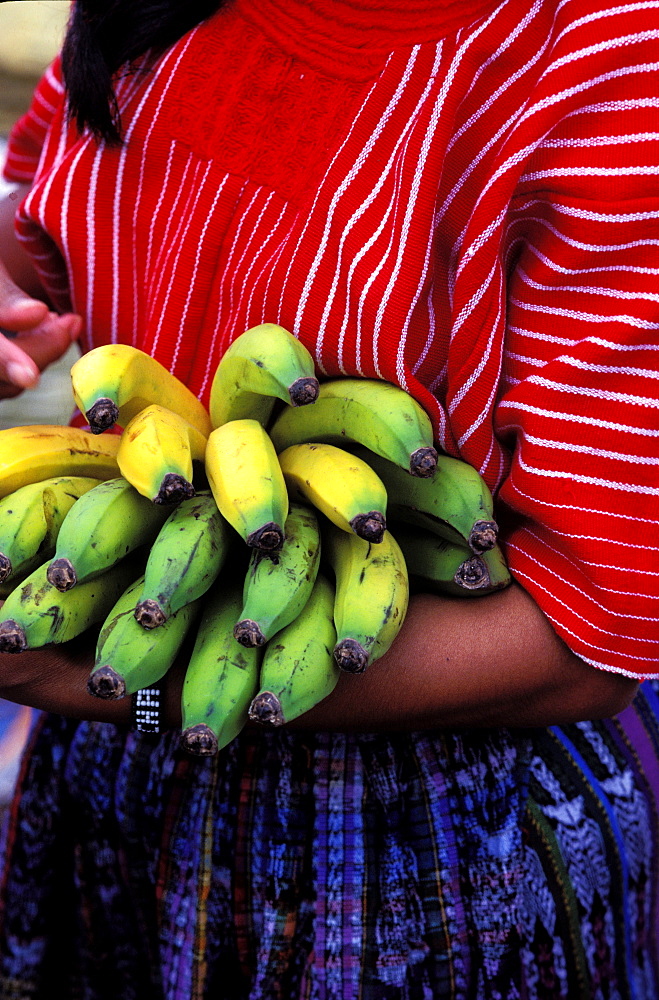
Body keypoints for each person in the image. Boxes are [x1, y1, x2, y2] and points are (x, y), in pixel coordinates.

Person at [0, 0, 658, 996]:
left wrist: (111, 690)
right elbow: (47, 220)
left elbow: (592, 636)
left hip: (428, 843)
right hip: (103, 760)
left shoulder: (598, 49)